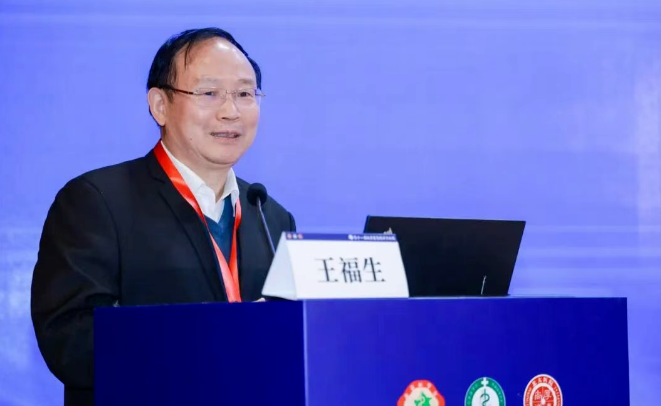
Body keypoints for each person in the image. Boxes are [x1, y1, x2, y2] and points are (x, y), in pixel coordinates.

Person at [30, 27, 295, 406]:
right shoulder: (97, 202)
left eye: (244, 94)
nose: (231, 111)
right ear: (160, 105)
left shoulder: (270, 216)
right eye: (209, 93)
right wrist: (214, 337)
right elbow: (70, 341)